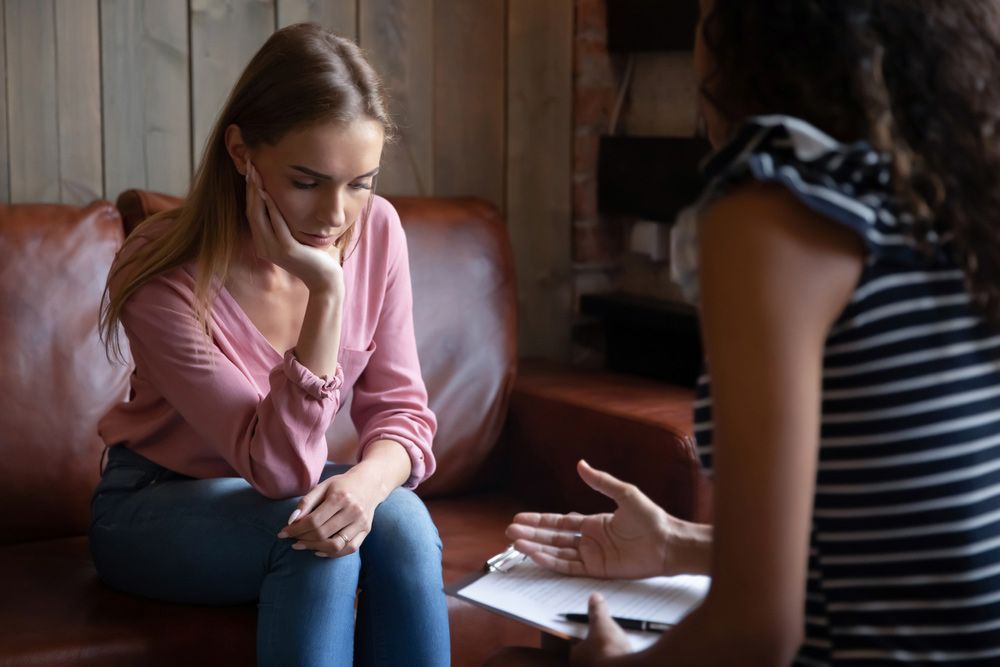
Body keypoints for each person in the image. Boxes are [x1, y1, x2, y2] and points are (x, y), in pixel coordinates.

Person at [492, 1, 1000, 665]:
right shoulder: (956, 203)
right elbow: (912, 535)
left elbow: (755, 632)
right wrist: (676, 539)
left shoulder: (773, 208)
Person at [90, 23, 449, 667]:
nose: (336, 215)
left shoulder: (381, 229)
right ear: (241, 153)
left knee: (405, 524)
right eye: (307, 182)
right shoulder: (160, 266)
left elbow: (403, 418)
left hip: (278, 494)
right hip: (154, 503)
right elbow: (279, 470)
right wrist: (328, 294)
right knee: (312, 539)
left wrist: (365, 488)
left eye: (360, 182)